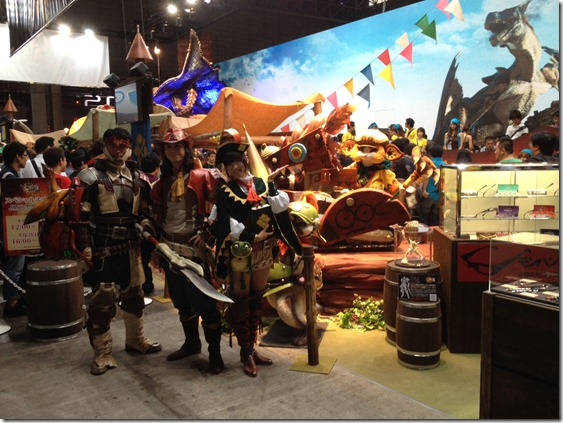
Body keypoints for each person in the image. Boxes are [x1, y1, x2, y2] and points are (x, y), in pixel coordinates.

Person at [75, 127, 161, 375]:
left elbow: (145, 211)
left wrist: (146, 226)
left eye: (123, 146)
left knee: (134, 295)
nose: (119, 150)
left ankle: (136, 340)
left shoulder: (137, 176)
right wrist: (85, 246)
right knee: (103, 300)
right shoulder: (90, 176)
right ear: (105, 145)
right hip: (103, 246)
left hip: (131, 246)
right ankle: (103, 353)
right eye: (114, 145)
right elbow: (80, 218)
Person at [213, 128, 290, 377]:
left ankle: (252, 348)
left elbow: (278, 209)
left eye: (237, 161)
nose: (234, 167)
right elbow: (226, 224)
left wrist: (273, 187)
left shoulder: (260, 184)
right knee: (241, 299)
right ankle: (245, 351)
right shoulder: (225, 191)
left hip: (264, 251)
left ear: (244, 160)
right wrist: (253, 236)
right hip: (241, 252)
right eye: (229, 164)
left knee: (257, 297)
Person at [150, 127, 225, 374]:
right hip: (168, 248)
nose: (173, 151)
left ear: (186, 148)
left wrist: (208, 234)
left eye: (178, 146)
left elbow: (225, 204)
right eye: (169, 147)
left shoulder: (204, 175)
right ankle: (192, 344)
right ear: (163, 151)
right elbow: (157, 216)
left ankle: (215, 354)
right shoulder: (161, 183)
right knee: (182, 302)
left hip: (194, 251)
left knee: (205, 304)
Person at [0, 141, 29, 316]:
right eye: (25, 155)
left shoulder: (7, 174)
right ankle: (11, 304)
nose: (27, 159)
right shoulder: (8, 177)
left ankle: (14, 300)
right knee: (14, 266)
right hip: (10, 228)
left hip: (9, 227)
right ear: (17, 157)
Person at [420, 144, 445, 227]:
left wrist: (424, 190)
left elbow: (426, 177)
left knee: (424, 219)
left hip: (428, 194)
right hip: (439, 196)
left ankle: (424, 233)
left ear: (430, 153)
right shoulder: (445, 164)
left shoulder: (429, 163)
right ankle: (434, 234)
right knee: (435, 220)